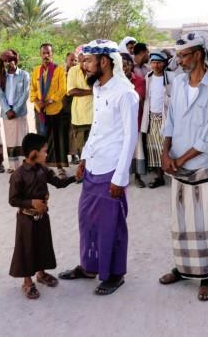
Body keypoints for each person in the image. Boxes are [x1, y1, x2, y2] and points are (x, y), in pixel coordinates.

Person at [58, 39, 138, 297]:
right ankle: (89, 266)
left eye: (89, 61)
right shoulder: (98, 88)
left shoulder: (126, 94)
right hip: (93, 165)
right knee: (87, 219)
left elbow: (130, 138)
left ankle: (115, 274)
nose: (84, 66)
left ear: (104, 61)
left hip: (112, 170)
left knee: (111, 224)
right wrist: (84, 159)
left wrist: (120, 177)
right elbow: (97, 127)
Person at [158, 32, 208, 302]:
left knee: (201, 221)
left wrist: (179, 160)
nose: (180, 61)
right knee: (180, 221)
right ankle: (182, 268)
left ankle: (205, 275)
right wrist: (165, 153)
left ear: (198, 54)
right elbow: (170, 121)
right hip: (176, 163)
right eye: (178, 56)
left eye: (184, 55)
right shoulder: (177, 83)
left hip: (199, 166)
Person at [8, 133, 76, 300]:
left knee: (42, 244)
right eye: (44, 151)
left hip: (42, 216)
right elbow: (13, 200)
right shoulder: (18, 175)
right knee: (26, 248)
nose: (47, 154)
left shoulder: (43, 170)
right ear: (33, 154)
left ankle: (41, 273)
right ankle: (27, 281)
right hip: (26, 220)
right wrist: (31, 203)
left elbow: (58, 183)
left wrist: (76, 177)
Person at [29, 43, 68, 177]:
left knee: (57, 139)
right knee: (42, 139)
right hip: (40, 110)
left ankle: (60, 167)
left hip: (55, 110)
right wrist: (37, 101)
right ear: (40, 54)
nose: (46, 55)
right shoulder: (36, 70)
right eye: (44, 53)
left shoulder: (59, 70)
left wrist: (49, 101)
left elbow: (62, 89)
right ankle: (42, 167)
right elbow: (33, 89)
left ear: (52, 54)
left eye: (48, 53)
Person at [140, 51, 174, 189]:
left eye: (159, 62)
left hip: (166, 118)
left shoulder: (171, 77)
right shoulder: (148, 77)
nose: (155, 65)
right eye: (153, 62)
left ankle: (173, 174)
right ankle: (159, 177)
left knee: (166, 147)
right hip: (151, 118)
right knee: (153, 148)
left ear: (164, 64)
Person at [0, 49, 31, 173]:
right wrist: (7, 110)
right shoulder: (2, 76)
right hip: (7, 113)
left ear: (15, 60)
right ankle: (12, 166)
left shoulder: (24, 75)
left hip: (19, 112)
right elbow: (0, 94)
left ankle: (24, 164)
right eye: (5, 61)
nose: (7, 63)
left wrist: (15, 110)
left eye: (9, 60)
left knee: (22, 138)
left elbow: (25, 94)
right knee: (10, 139)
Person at [121, 53, 147, 188]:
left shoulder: (139, 81)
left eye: (125, 65)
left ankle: (137, 177)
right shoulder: (113, 81)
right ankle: (122, 177)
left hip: (134, 121)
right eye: (120, 65)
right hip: (119, 124)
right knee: (120, 151)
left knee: (137, 150)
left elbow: (137, 99)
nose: (123, 68)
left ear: (131, 65)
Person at [67, 46, 93, 165]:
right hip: (79, 117)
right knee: (81, 149)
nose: (84, 63)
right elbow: (71, 91)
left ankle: (91, 170)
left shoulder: (94, 70)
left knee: (93, 148)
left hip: (94, 117)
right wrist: (91, 92)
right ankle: (83, 170)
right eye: (81, 59)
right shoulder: (73, 71)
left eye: (87, 59)